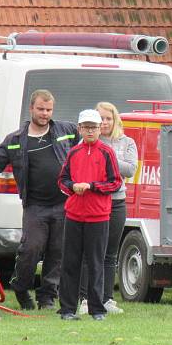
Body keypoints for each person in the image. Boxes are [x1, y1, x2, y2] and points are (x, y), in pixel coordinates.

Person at [0, 89, 79, 310]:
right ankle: (21, 288)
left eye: (49, 110)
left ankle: (47, 297)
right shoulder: (14, 140)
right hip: (35, 205)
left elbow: (85, 152)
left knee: (57, 252)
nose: (44, 114)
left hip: (63, 203)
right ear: (31, 108)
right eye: (40, 109)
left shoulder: (67, 131)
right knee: (31, 248)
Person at [57, 109, 122, 321]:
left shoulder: (106, 152)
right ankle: (67, 308)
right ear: (79, 129)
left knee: (95, 263)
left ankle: (97, 309)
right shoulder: (73, 153)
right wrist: (72, 186)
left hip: (98, 216)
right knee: (70, 262)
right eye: (86, 127)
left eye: (94, 127)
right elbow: (62, 180)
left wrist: (92, 186)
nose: (90, 131)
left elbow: (115, 182)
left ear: (100, 129)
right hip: (74, 214)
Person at [78, 102, 137, 316]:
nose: (103, 123)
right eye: (100, 119)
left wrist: (107, 156)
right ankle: (85, 299)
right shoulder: (87, 141)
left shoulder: (127, 142)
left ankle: (107, 298)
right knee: (91, 251)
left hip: (117, 201)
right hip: (94, 200)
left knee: (110, 253)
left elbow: (130, 169)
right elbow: (85, 166)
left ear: (115, 120)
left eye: (108, 118)